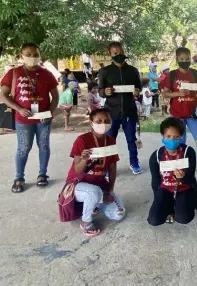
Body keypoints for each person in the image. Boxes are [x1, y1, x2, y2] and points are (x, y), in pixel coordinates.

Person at [0, 43, 59, 192]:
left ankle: (42, 175)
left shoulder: (46, 73)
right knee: (23, 148)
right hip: (23, 120)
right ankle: (19, 177)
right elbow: (3, 95)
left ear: (39, 56)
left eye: (35, 55)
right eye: (28, 54)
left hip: (43, 119)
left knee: (44, 146)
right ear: (21, 55)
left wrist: (50, 112)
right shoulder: (13, 73)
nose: (32, 57)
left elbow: (55, 96)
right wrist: (19, 108)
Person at [65, 108, 125, 237]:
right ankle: (86, 221)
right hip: (77, 185)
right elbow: (78, 170)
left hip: (99, 185)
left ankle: (94, 204)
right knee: (93, 192)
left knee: (118, 214)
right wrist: (84, 160)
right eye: (98, 121)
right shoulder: (82, 140)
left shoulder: (110, 141)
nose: (103, 123)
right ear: (91, 122)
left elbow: (113, 168)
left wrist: (109, 190)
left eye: (106, 120)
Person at [163, 47, 197, 174]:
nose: (185, 61)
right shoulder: (171, 76)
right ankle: (180, 164)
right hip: (177, 115)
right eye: (181, 59)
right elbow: (165, 94)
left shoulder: (196, 74)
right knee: (179, 141)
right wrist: (178, 93)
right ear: (177, 59)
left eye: (187, 59)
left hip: (193, 115)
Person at [98, 42, 143, 175]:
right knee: (110, 140)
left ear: (124, 51)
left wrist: (137, 91)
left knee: (131, 139)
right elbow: (100, 91)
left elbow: (139, 87)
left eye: (120, 52)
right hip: (111, 112)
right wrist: (105, 92)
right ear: (110, 55)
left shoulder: (133, 70)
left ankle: (134, 163)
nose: (119, 55)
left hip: (129, 111)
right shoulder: (104, 71)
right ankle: (107, 166)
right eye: (115, 53)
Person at [147, 117, 197, 226]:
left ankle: (181, 205)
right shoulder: (156, 156)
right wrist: (158, 198)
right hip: (165, 188)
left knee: (184, 218)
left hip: (184, 188)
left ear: (180, 137)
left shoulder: (188, 152)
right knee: (154, 220)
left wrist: (182, 177)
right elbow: (155, 180)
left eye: (176, 137)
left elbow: (190, 177)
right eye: (168, 136)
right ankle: (169, 204)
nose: (172, 140)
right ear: (163, 136)